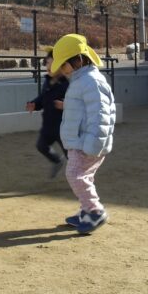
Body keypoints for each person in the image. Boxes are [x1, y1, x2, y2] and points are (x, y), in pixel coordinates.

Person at [50, 34, 115, 234]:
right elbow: (85, 109)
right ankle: (86, 211)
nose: (62, 69)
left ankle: (94, 211)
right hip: (81, 141)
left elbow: (100, 114)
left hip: (87, 143)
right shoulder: (82, 80)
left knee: (75, 175)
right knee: (84, 177)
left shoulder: (91, 81)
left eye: (64, 64)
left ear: (77, 60)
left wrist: (93, 144)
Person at [26, 48, 68, 179]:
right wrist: (34, 104)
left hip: (63, 127)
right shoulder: (47, 81)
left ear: (61, 66)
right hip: (48, 125)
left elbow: (76, 103)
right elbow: (43, 98)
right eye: (47, 63)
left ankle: (81, 176)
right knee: (41, 145)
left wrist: (65, 105)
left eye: (51, 63)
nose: (47, 66)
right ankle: (57, 161)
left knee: (71, 155)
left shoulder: (67, 84)